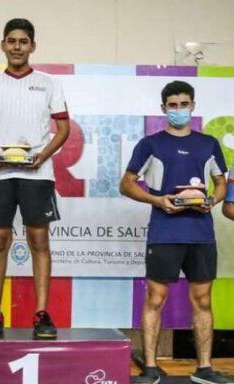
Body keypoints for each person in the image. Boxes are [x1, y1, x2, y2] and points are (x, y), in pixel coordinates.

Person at [120, 80, 231, 384]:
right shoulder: (150, 144)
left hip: (201, 233)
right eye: (173, 105)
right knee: (155, 298)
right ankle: (152, 368)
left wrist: (211, 200)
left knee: (203, 300)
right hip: (164, 231)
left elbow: (221, 183)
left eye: (184, 104)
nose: (179, 110)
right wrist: (158, 200)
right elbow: (126, 183)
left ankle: (205, 368)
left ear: (193, 106)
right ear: (163, 108)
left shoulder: (208, 143)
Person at [0, 18, 70, 339]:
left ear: (32, 47)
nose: (17, 47)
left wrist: (43, 155)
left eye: (23, 42)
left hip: (37, 173)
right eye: (11, 41)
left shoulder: (49, 83)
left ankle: (41, 314)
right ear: (2, 45)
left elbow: (64, 128)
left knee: (40, 241)